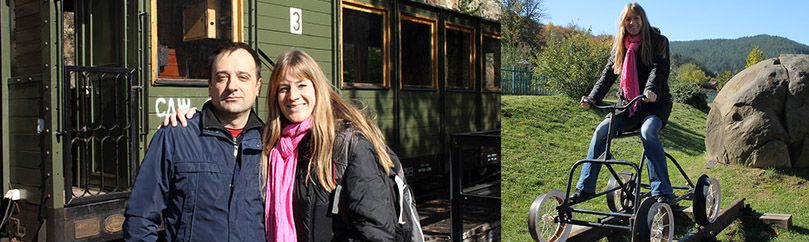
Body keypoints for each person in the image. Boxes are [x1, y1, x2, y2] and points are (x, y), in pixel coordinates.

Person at [165, 49, 404, 241]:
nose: (293, 96)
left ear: (317, 89)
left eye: (302, 85)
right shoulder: (273, 146)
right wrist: (194, 117)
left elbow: (375, 231)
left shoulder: (348, 144)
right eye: (284, 88)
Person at [123, 42, 267, 242]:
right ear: (209, 85)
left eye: (243, 77)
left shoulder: (270, 143)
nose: (232, 86)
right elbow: (140, 218)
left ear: (257, 86)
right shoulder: (176, 136)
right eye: (222, 77)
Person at [574, 3, 675, 204]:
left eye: (636, 18)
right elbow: (607, 75)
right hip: (628, 106)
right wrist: (592, 98)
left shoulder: (658, 42)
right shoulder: (621, 45)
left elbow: (659, 69)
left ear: (643, 20)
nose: (632, 23)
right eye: (628, 19)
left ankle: (663, 191)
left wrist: (651, 90)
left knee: (647, 132)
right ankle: (585, 188)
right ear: (623, 23)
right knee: (601, 131)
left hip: (655, 104)